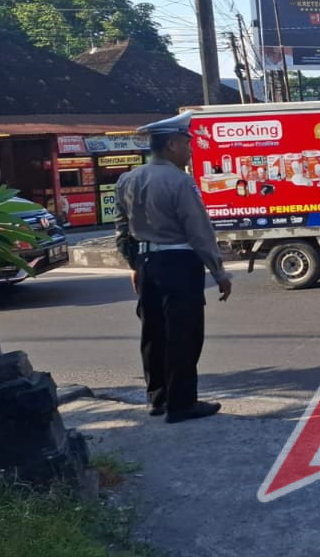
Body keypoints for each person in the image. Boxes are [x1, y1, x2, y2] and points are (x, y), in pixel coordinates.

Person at [114, 111, 233, 424]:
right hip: (179, 264)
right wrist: (219, 272)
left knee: (153, 332)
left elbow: (121, 227)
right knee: (183, 333)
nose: (190, 150)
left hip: (147, 262)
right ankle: (181, 405)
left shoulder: (128, 179)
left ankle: (158, 399)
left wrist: (134, 264)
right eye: (185, 143)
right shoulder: (181, 182)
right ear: (170, 145)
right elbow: (199, 231)